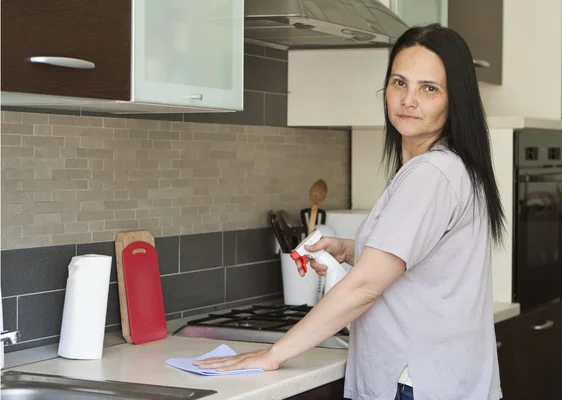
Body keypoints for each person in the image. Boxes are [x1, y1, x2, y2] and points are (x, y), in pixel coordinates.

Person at [195, 23, 505, 400]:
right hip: (444, 378)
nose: (408, 99)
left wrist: (274, 354)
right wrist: (352, 248)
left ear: (455, 99)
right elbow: (423, 262)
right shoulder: (449, 166)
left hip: (415, 381)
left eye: (429, 88)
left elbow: (364, 288)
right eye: (399, 83)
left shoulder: (431, 174)